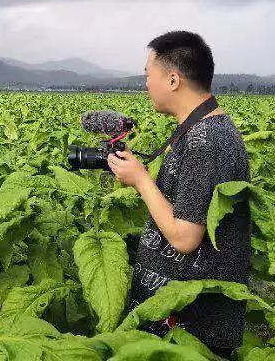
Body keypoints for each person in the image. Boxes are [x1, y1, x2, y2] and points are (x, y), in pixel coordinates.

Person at [106, 31, 251, 357]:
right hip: (176, 319)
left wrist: (142, 180)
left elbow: (185, 237)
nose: (146, 83)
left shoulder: (207, 140)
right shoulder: (201, 130)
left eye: (148, 74)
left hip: (189, 329)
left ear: (173, 80)